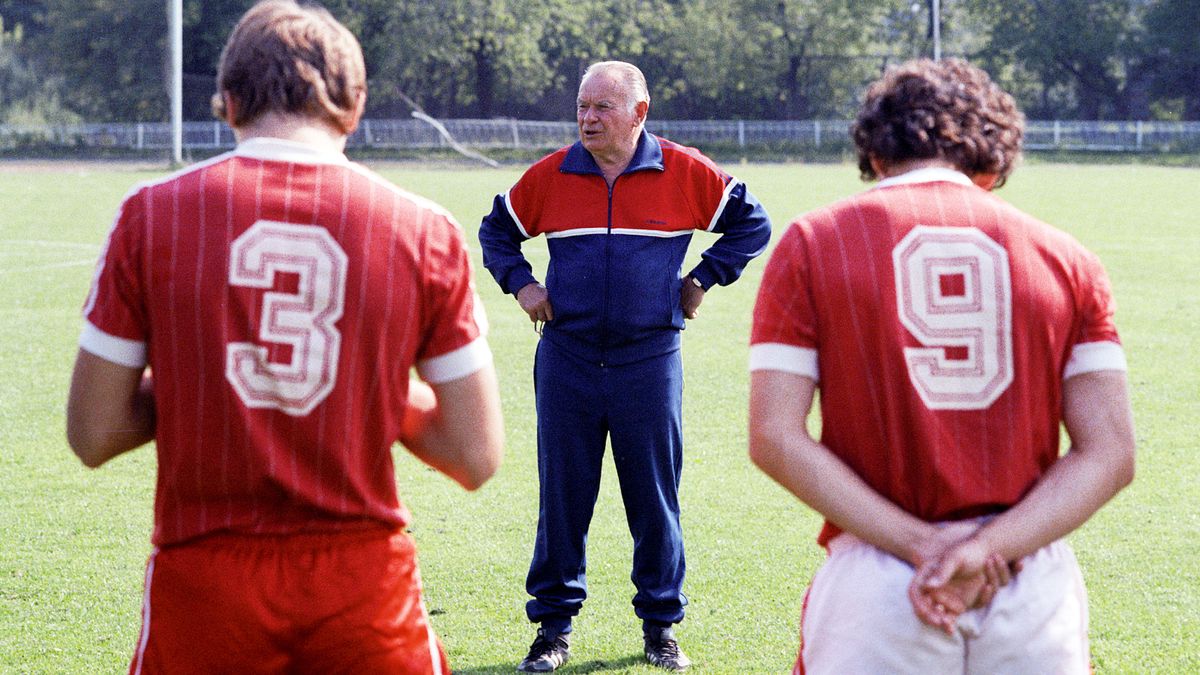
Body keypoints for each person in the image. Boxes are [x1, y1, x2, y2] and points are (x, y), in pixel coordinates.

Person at [65, 2, 503, 672]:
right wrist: (368, 385)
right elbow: (473, 453)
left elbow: (93, 432)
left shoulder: (149, 217)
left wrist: (202, 376)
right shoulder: (422, 229)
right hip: (363, 592)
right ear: (354, 107)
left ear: (229, 102)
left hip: (205, 585)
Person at [747, 58, 1135, 674]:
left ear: (876, 151)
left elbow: (773, 436)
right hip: (1027, 579)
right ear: (991, 158)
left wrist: (924, 546)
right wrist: (988, 548)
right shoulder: (1070, 260)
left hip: (879, 580)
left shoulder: (813, 242)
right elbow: (1110, 452)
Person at [478, 60, 771, 672]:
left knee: (655, 498)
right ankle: (552, 631)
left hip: (650, 360)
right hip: (568, 359)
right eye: (582, 107)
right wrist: (522, 286)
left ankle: (661, 628)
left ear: (639, 113)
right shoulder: (552, 174)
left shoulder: (684, 170)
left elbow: (753, 223)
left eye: (601, 108)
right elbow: (496, 232)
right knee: (563, 497)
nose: (587, 118)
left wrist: (702, 278)